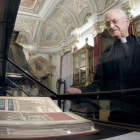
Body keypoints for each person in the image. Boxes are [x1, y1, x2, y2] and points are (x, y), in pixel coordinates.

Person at [67, 8, 140, 94]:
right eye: (108, 24)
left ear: (127, 21)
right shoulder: (105, 55)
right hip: (119, 106)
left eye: (115, 21)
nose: (111, 26)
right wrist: (81, 90)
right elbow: (99, 84)